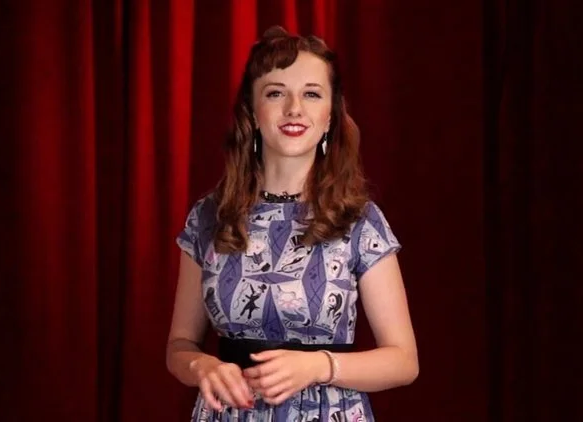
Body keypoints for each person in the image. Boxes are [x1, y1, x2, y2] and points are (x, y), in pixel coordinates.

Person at [166, 25, 418, 422]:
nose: (294, 108)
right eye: (276, 93)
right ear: (252, 112)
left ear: (330, 116)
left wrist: (319, 366)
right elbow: (179, 345)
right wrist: (202, 366)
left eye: (311, 94)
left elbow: (404, 361)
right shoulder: (210, 216)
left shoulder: (359, 220)